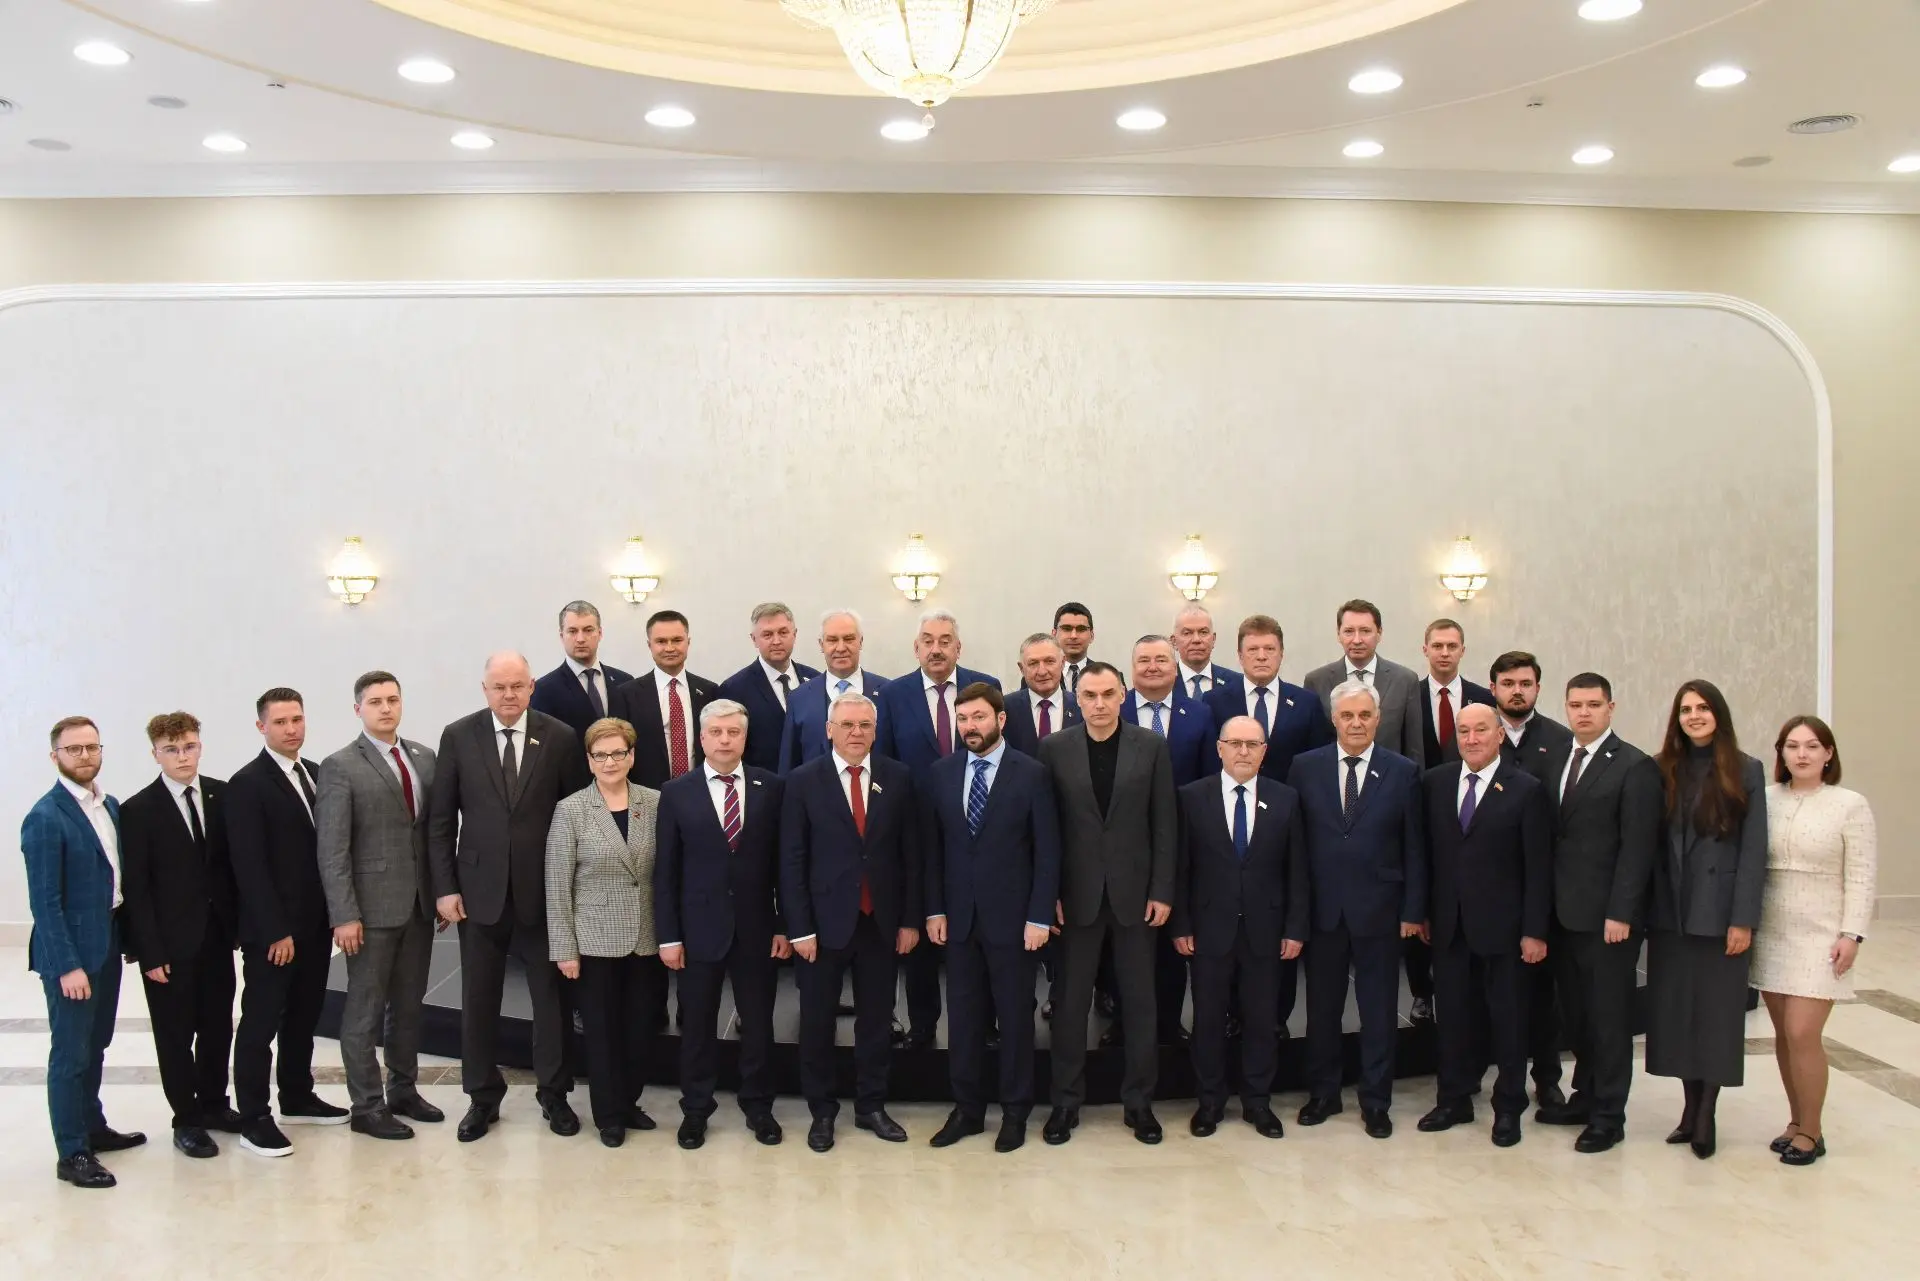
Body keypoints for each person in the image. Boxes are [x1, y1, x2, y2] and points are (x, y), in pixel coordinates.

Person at [429, 652, 590, 1143]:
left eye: (517, 685)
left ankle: (554, 1094)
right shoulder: (459, 736)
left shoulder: (559, 736)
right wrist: (445, 887)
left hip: (544, 892)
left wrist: (572, 890)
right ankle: (482, 1097)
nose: (508, 694)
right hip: (478, 894)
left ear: (532, 686)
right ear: (485, 689)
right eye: (499, 687)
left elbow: (576, 817)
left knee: (551, 1002)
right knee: (479, 999)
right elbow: (441, 821)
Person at [1038, 662, 1178, 1146]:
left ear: (1123, 696)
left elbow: (1165, 823)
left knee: (1140, 1004)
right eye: (1090, 695)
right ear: (1076, 699)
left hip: (1136, 897)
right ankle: (1065, 1103)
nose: (1099, 703)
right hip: (1074, 898)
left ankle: (1139, 1104)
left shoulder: (1151, 746)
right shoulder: (1054, 748)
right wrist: (1049, 894)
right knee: (1070, 1005)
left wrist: (1162, 889)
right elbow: (1046, 829)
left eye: (1107, 694)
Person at [923, 684, 1060, 1153]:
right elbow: (934, 849)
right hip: (959, 921)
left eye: (979, 717)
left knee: (1015, 1019)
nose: (970, 727)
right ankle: (967, 1110)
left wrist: (1039, 916)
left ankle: (1015, 1112)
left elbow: (1047, 852)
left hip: (1015, 923)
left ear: (1001, 719)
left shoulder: (1032, 773)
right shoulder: (942, 773)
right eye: (963, 719)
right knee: (963, 1019)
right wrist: (935, 908)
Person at [782, 693, 921, 1152]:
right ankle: (822, 1112)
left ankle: (871, 1106)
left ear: (876, 730)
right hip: (822, 927)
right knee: (817, 1022)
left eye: (864, 724)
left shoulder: (898, 777)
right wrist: (799, 927)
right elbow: (792, 859)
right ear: (829, 730)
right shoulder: (803, 780)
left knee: (877, 1021)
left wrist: (909, 920)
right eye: (846, 724)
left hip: (880, 922)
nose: (856, 732)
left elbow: (911, 855)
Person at [1287, 680, 1425, 1139]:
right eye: (1347, 715)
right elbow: (1294, 845)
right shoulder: (1304, 767)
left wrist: (1412, 910)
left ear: (1378, 719)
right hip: (1323, 910)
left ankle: (1376, 1101)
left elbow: (1414, 847)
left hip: (1380, 911)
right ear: (1334, 719)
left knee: (1379, 1012)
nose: (1356, 723)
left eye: (1365, 715)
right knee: (1322, 1010)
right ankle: (1323, 1094)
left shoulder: (1402, 771)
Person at [314, 671, 444, 1141]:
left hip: (418, 905)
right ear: (358, 710)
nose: (386, 708)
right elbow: (332, 849)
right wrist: (344, 914)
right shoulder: (340, 765)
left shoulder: (423, 758)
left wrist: (441, 892)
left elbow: (433, 833)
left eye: (392, 699)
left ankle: (403, 1090)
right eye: (375, 702)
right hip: (369, 912)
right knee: (364, 1011)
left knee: (408, 1006)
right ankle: (366, 1106)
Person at [1534, 673, 1661, 1153]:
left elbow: (1637, 848)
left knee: (1608, 1020)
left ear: (1611, 707)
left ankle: (1609, 1115)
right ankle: (1584, 1098)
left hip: (1608, 920)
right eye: (1575, 705)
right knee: (1577, 1016)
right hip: (1563, 915)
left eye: (1593, 704)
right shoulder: (1556, 759)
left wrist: (1621, 912)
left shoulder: (1634, 766)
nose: (1583, 712)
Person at [1417, 703, 1552, 1149]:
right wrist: (1424, 912)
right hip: (1449, 927)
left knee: (1508, 1022)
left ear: (1499, 736)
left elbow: (1538, 868)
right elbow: (1428, 855)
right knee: (1453, 1019)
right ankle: (1453, 1099)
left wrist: (1535, 931)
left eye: (1480, 730)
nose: (1471, 739)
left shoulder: (1526, 789)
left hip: (1506, 931)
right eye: (1464, 731)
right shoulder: (1435, 783)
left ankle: (1509, 1107)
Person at [656, 699, 789, 1149]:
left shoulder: (771, 787)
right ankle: (696, 1109)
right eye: (716, 732)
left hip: (757, 929)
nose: (725, 740)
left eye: (734, 732)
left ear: (745, 737)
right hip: (697, 931)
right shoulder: (676, 792)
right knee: (697, 1026)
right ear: (702, 738)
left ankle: (759, 1106)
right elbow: (666, 871)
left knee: (759, 1024)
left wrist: (783, 924)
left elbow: (783, 864)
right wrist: (669, 936)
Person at [1647, 679, 1767, 1160]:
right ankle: (1688, 1107)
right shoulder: (1661, 768)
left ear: (1719, 714)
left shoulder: (1746, 769)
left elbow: (1754, 852)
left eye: (1702, 708)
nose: (1694, 716)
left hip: (1720, 915)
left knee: (1716, 1017)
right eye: (1685, 710)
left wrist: (1743, 919)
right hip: (1671, 913)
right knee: (1678, 1014)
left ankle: (1706, 1113)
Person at [226, 688, 348, 1156]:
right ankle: (254, 1117)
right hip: (273, 934)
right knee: (260, 1025)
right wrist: (275, 931)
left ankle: (296, 1096)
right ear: (262, 727)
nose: (291, 729)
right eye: (280, 722)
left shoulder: (315, 773)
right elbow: (249, 866)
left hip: (315, 927)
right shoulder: (247, 783)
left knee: (303, 1016)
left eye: (297, 719)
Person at [24, 716, 145, 1188]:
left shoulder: (108, 805)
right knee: (70, 1053)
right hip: (71, 955)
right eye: (73, 749)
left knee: (96, 1043)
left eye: (92, 747)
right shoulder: (45, 817)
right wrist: (68, 966)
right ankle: (72, 1152)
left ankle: (93, 1127)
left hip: (106, 941)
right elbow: (45, 902)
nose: (85, 756)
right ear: (54, 756)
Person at [1172, 716, 1307, 1139]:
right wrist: (1181, 924)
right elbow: (1181, 868)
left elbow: (1297, 871)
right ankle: (1210, 1101)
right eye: (1235, 743)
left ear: (1265, 751)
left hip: (1267, 930)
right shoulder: (1192, 797)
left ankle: (1257, 1101)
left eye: (1253, 744)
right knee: (1209, 1019)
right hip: (1208, 929)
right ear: (1219, 749)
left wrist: (1295, 928)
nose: (1243, 751)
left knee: (1262, 1019)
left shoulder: (1286, 799)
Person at [1752, 715, 1875, 1167]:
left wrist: (1851, 933)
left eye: (1811, 746)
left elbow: (1861, 875)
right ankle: (1796, 1120)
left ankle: (1813, 1131)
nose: (1801, 754)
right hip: (1772, 929)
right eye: (1792, 746)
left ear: (1828, 753)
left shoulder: (1849, 805)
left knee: (1803, 1032)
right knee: (1785, 1036)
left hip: (1821, 933)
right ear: (1781, 753)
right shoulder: (1766, 800)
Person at [876, 609, 1001, 1050]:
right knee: (920, 930)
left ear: (958, 647)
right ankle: (923, 1026)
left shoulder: (985, 687)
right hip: (917, 828)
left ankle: (986, 1025)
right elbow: (885, 763)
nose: (936, 648)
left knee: (980, 930)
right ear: (916, 648)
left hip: (978, 825)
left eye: (945, 640)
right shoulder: (893, 695)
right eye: (928, 640)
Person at [119, 712, 239, 1160]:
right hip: (168, 946)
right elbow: (137, 888)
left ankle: (214, 1104)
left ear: (200, 746)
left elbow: (230, 868)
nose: (182, 756)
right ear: (156, 754)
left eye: (189, 746)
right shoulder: (138, 810)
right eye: (171, 749)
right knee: (175, 1034)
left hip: (217, 937)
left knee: (217, 1027)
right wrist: (149, 952)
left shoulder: (221, 795)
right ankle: (186, 1119)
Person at [1204, 614, 1330, 1039]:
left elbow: (1317, 763)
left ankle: (1275, 1017)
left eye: (1269, 649)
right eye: (1252, 650)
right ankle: (1231, 1014)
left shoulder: (1305, 703)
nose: (1261, 656)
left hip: (1284, 826)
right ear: (1239, 655)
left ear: (1281, 654)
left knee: (1275, 926)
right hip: (1230, 825)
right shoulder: (1215, 701)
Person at [545, 717, 665, 1147]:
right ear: (589, 760)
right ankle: (609, 1115)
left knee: (640, 1030)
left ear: (631, 756)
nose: (610, 761)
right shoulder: (571, 809)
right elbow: (557, 883)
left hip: (646, 937)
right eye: (600, 755)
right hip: (594, 940)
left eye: (618, 753)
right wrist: (565, 949)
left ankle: (629, 1102)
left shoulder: (655, 802)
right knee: (602, 1034)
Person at [1124, 633, 1217, 1045]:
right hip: (1125, 845)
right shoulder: (1115, 709)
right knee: (1125, 943)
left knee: (1171, 940)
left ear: (1175, 666)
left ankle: (1169, 1021)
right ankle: (1124, 1023)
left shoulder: (1199, 714)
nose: (1152, 667)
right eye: (1143, 660)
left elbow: (1209, 779)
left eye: (1161, 659)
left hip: (1181, 842)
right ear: (1132, 668)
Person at [1489, 650, 1574, 1085]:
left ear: (1538, 688)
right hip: (1490, 885)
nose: (1517, 692)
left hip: (1543, 885)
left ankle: (1547, 1079)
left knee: (1543, 991)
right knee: (1490, 992)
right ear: (1493, 688)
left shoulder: (1561, 741)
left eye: (1525, 684)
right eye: (1508, 684)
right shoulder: (1477, 735)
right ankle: (1486, 1076)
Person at [608, 609, 721, 789]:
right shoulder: (626, 694)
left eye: (677, 640)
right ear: (649, 645)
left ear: (688, 642)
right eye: (661, 641)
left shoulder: (709, 691)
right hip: (646, 793)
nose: (669, 648)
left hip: (702, 790)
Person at [1303, 599, 1424, 765]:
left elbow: (1414, 748)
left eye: (1365, 631)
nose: (1357, 640)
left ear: (1379, 633)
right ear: (1338, 634)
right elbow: (1311, 746)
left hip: (1389, 776)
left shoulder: (1405, 680)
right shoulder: (1316, 681)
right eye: (1349, 631)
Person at [780, 608, 889, 771]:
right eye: (832, 640)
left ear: (860, 642)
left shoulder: (887, 692)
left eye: (849, 639)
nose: (841, 648)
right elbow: (789, 764)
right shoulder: (799, 698)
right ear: (821, 645)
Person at [719, 602, 821, 773]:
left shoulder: (815, 680)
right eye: (767, 634)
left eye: (783, 632)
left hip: (812, 782)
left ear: (794, 634)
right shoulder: (734, 689)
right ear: (754, 639)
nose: (776, 641)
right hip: (763, 785)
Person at [531, 601, 636, 744]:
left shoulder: (624, 681)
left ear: (600, 633)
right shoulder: (544, 689)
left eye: (588, 630)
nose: (580, 639)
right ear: (562, 636)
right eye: (572, 631)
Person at [1417, 620, 1495, 766]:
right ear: (1425, 650)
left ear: (1462, 651)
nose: (1445, 653)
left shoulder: (1485, 698)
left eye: (1452, 646)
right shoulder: (1410, 696)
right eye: (1437, 646)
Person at [1003, 633, 1080, 756]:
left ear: (1063, 663)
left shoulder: (1081, 706)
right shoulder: (1005, 708)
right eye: (1033, 663)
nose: (1042, 671)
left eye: (1049, 661)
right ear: (1021, 668)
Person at [1172, 603, 1244, 701]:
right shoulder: (1162, 683)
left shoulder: (1237, 683)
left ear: (1213, 639)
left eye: (1203, 632)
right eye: (1187, 633)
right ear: (1174, 642)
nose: (1196, 640)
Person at [1053, 601, 1096, 692]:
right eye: (1066, 629)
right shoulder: (1038, 678)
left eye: (1081, 629)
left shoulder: (1111, 676)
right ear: (1054, 634)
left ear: (1092, 636)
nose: (1074, 636)